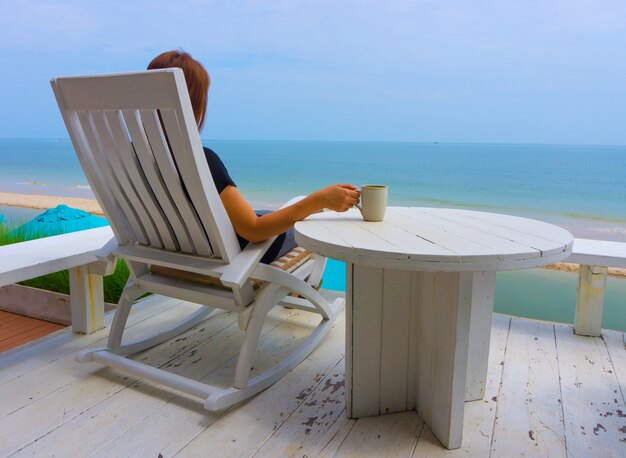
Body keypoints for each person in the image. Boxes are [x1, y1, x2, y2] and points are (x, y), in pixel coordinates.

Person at [147, 50, 359, 263]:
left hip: (172, 256)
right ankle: (298, 290)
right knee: (309, 223)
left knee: (264, 212)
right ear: (194, 105)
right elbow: (254, 230)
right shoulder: (200, 161)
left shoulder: (132, 159)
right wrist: (319, 199)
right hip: (232, 260)